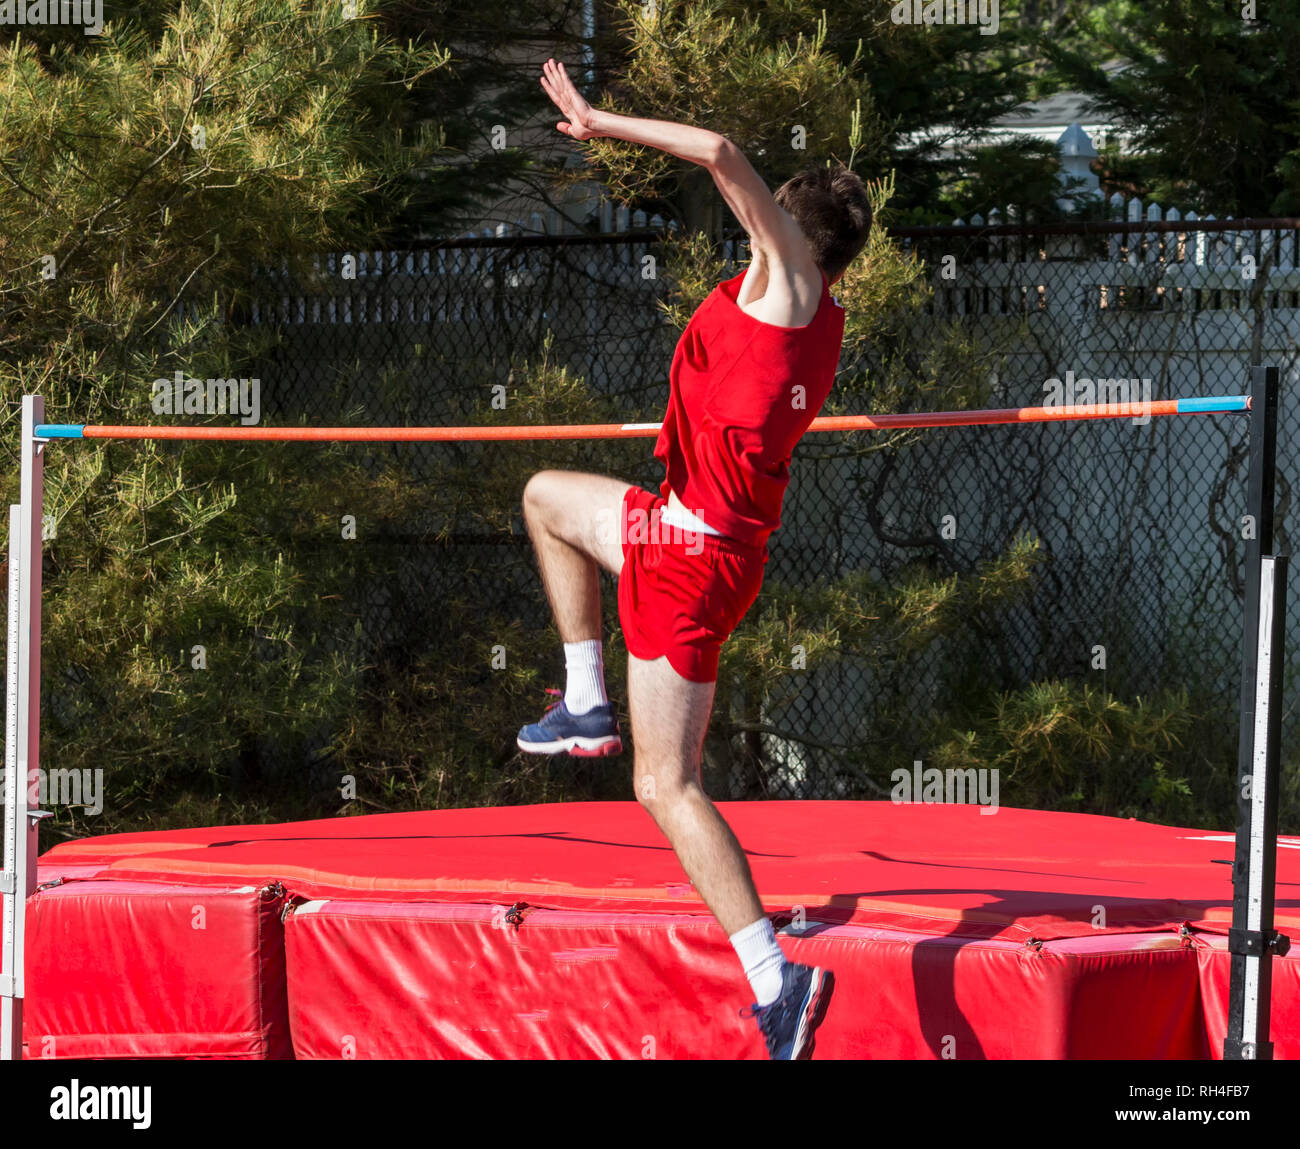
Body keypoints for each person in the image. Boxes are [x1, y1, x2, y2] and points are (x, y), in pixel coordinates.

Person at [517, 57, 870, 1060]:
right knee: (547, 498)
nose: (748, 229)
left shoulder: (791, 288)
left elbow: (718, 154)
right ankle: (582, 697)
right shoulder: (782, 296)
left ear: (798, 235)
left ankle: (775, 981)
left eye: (764, 218)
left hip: (689, 555)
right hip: (679, 533)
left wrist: (594, 121)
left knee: (665, 787)